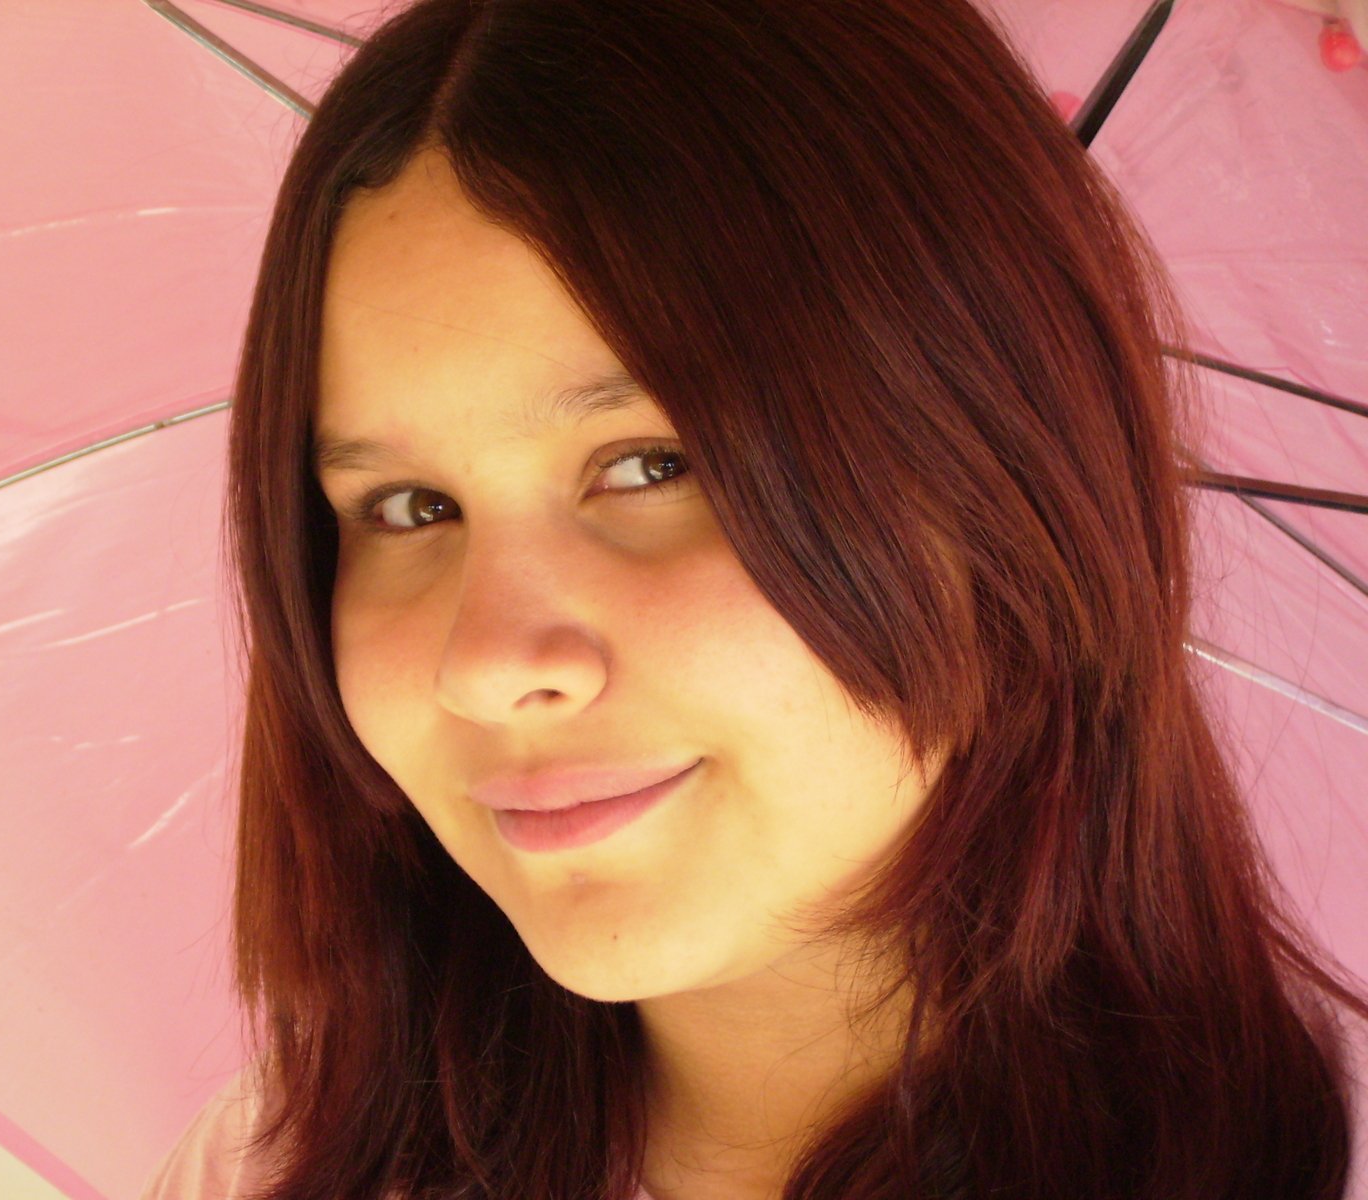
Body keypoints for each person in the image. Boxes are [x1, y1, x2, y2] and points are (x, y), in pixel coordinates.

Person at [140, 0, 1368, 1197]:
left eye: (652, 466)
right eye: (409, 509)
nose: (487, 663)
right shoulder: (267, 1172)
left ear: (1003, 485)